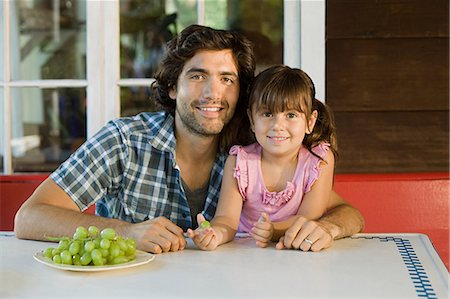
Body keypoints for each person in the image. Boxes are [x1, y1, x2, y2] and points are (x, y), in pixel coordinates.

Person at [14, 25, 364, 254]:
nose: (213, 92)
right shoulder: (124, 140)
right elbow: (29, 218)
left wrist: (327, 229)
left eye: (227, 79)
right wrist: (128, 232)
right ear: (172, 85)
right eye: (198, 76)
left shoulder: (253, 150)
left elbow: (347, 212)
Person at [188, 65, 339, 251]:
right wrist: (215, 234)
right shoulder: (239, 162)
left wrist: (273, 231)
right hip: (245, 253)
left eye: (291, 115)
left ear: (310, 122)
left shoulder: (319, 161)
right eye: (267, 114)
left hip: (297, 254)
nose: (278, 125)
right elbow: (226, 219)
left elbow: (309, 217)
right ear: (252, 120)